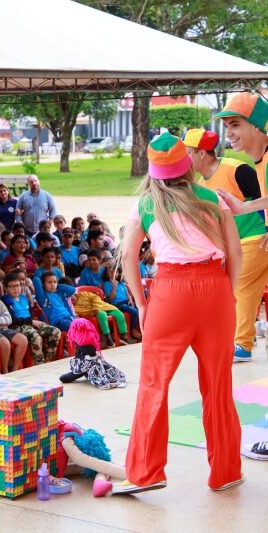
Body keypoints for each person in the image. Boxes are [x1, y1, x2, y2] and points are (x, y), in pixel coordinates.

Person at [111, 133, 242, 495]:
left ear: (154, 172)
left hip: (169, 293)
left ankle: (146, 473)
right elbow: (235, 252)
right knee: (218, 386)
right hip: (214, 287)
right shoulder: (212, 198)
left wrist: (140, 302)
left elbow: (128, 259)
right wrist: (225, 294)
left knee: (154, 384)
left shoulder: (145, 206)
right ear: (187, 167)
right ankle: (225, 472)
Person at [184, 127, 267, 362]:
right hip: (237, 245)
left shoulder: (236, 169)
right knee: (246, 290)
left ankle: (241, 344)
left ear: (202, 153)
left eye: (188, 152)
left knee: (240, 287)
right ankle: (244, 341)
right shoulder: (201, 183)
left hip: (256, 237)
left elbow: (264, 196)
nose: (185, 159)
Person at [2, 272, 61, 365]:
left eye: (17, 285)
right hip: (16, 327)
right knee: (35, 337)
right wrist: (31, 322)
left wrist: (32, 322)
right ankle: (39, 365)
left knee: (55, 331)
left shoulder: (24, 298)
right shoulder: (5, 301)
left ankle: (47, 360)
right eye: (12, 286)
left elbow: (30, 313)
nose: (16, 288)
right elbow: (11, 320)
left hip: (29, 324)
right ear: (5, 288)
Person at [102, 260, 141, 340]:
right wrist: (114, 286)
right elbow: (110, 299)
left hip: (126, 302)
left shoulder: (121, 283)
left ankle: (140, 328)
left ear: (118, 273)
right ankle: (133, 330)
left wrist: (130, 298)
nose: (113, 274)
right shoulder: (107, 284)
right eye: (111, 272)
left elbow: (127, 294)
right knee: (134, 312)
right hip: (117, 304)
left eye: (115, 272)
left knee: (140, 309)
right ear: (107, 273)